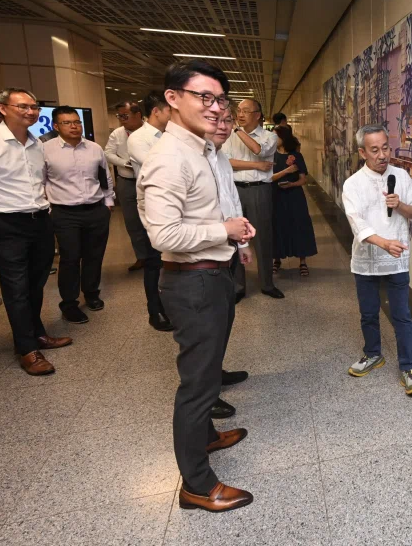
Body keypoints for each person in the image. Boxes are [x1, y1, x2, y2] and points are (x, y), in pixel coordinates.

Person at [138, 60, 255, 512]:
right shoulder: (169, 157)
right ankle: (197, 486)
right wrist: (222, 231)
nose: (215, 107)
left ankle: (205, 437)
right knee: (197, 386)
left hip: (214, 270)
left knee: (208, 370)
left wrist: (234, 237)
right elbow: (163, 237)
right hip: (191, 281)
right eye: (203, 97)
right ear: (173, 98)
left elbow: (217, 205)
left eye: (220, 99)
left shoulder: (204, 150)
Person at [342, 124, 412, 396]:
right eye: (374, 150)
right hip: (367, 259)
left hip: (396, 259)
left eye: (385, 148)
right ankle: (373, 354)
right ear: (362, 152)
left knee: (402, 315)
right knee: (368, 312)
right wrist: (383, 243)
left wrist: (398, 205)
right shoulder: (352, 184)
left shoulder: (401, 176)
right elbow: (358, 224)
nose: (382, 155)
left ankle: (409, 367)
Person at [0, 88, 72, 376]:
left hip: (40, 220)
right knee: (16, 289)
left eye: (34, 107)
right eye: (23, 107)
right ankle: (27, 349)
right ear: (3, 109)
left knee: (35, 283)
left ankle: (37, 333)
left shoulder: (37, 144)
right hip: (7, 224)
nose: (31, 112)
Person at [43, 106, 115, 324]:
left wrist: (108, 202)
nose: (74, 126)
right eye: (67, 122)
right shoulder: (45, 150)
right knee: (70, 258)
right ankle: (69, 303)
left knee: (94, 255)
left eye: (77, 122)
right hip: (64, 213)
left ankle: (92, 293)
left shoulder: (94, 148)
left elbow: (105, 176)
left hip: (95, 210)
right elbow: (40, 181)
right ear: (56, 126)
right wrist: (48, 208)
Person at [206, 106, 251, 419]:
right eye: (215, 120)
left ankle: (215, 374)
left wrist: (243, 243)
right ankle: (205, 397)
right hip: (199, 260)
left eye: (227, 121)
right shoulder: (188, 158)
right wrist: (226, 233)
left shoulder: (219, 157)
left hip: (226, 251)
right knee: (205, 329)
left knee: (222, 320)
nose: (223, 127)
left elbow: (232, 202)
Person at [222, 98, 283, 302]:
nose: (240, 114)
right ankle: (238, 286)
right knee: (236, 237)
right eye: (238, 110)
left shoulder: (269, 137)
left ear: (257, 115)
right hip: (235, 190)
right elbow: (227, 163)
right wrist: (256, 166)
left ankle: (267, 284)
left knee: (263, 238)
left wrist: (239, 131)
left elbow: (259, 150)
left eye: (246, 111)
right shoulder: (228, 136)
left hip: (260, 191)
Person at [127, 91, 175, 332]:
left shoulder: (170, 135)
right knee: (154, 261)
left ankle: (170, 307)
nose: (173, 114)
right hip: (153, 203)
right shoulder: (138, 138)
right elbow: (160, 169)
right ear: (156, 111)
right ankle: (155, 312)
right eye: (169, 110)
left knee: (170, 260)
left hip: (174, 201)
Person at [105, 101, 147, 272]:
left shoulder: (151, 132)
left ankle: (158, 256)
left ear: (137, 115)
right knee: (132, 222)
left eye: (125, 116)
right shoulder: (117, 134)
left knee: (154, 219)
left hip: (148, 182)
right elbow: (108, 153)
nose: (122, 120)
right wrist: (124, 163)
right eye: (119, 116)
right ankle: (141, 257)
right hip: (127, 181)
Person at [270, 125, 317, 276]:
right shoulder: (270, 156)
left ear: (283, 138)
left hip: (295, 196)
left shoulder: (297, 156)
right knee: (278, 226)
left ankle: (302, 261)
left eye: (275, 136)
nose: (272, 139)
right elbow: (267, 177)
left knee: (299, 225)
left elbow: (303, 179)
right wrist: (287, 171)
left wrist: (291, 184)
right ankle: (276, 259)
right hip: (276, 196)